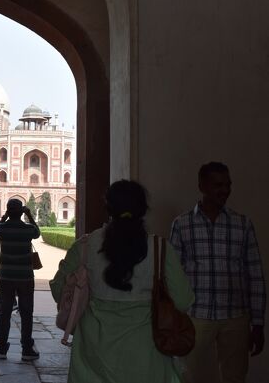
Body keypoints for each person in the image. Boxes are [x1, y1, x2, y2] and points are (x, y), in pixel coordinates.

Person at [50, 180, 194, 383]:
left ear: (108, 209)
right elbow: (183, 299)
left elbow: (59, 290)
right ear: (143, 210)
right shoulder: (159, 248)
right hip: (146, 357)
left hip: (93, 356)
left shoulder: (85, 247)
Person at [169, 162, 266, 383]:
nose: (225, 190)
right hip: (195, 315)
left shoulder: (242, 224)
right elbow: (173, 275)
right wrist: (174, 317)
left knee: (234, 377)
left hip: (235, 317)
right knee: (186, 375)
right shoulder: (182, 225)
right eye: (218, 185)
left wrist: (258, 323)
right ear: (201, 186)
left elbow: (255, 274)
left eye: (228, 184)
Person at [0, 199, 41, 361]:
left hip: (6, 276)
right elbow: (37, 232)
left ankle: (1, 348)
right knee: (26, 313)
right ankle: (27, 348)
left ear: (8, 212)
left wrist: (5, 216)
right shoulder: (27, 230)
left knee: (4, 312)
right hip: (25, 277)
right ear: (21, 212)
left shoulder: (2, 229)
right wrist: (29, 214)